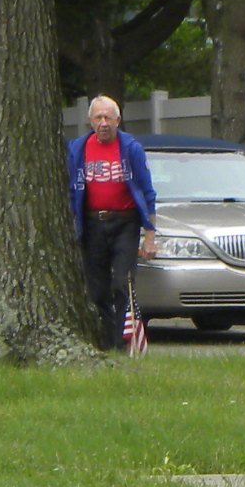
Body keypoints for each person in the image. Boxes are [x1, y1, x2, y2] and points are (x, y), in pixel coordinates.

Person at [65, 95, 156, 349]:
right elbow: (72, 192)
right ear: (90, 121)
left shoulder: (130, 149)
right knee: (97, 290)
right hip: (92, 225)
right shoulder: (78, 149)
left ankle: (123, 343)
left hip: (125, 223)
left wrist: (150, 236)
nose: (103, 123)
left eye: (108, 117)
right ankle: (107, 343)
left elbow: (147, 193)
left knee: (122, 285)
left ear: (118, 120)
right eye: (98, 117)